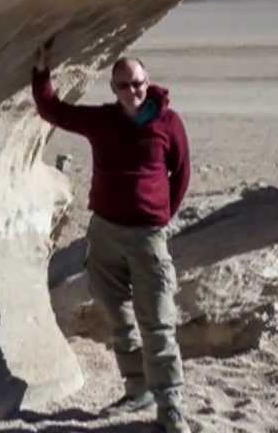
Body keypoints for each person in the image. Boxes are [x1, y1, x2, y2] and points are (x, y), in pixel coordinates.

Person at [31, 40, 192, 433]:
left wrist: (158, 216)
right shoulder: (102, 120)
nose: (132, 91)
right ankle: (138, 390)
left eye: (136, 82)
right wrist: (41, 73)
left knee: (157, 321)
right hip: (104, 233)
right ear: (114, 89)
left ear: (147, 80)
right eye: (123, 85)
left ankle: (170, 405)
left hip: (147, 236)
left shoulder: (168, 123)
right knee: (118, 315)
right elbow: (53, 110)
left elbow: (182, 172)